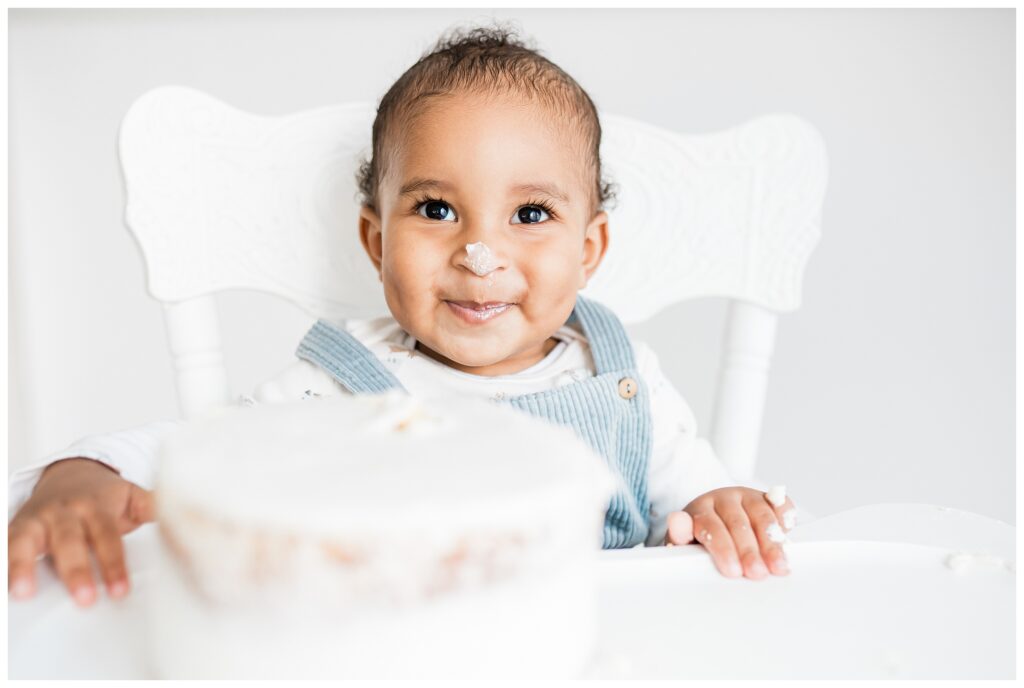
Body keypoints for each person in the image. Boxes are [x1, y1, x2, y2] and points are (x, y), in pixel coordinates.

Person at [7, 22, 797, 608]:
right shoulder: (346, 386)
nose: (479, 253)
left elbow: (692, 508)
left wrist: (718, 510)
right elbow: (199, 452)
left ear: (589, 249)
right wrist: (85, 473)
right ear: (375, 240)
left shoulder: (623, 376)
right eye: (437, 208)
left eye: (529, 214)